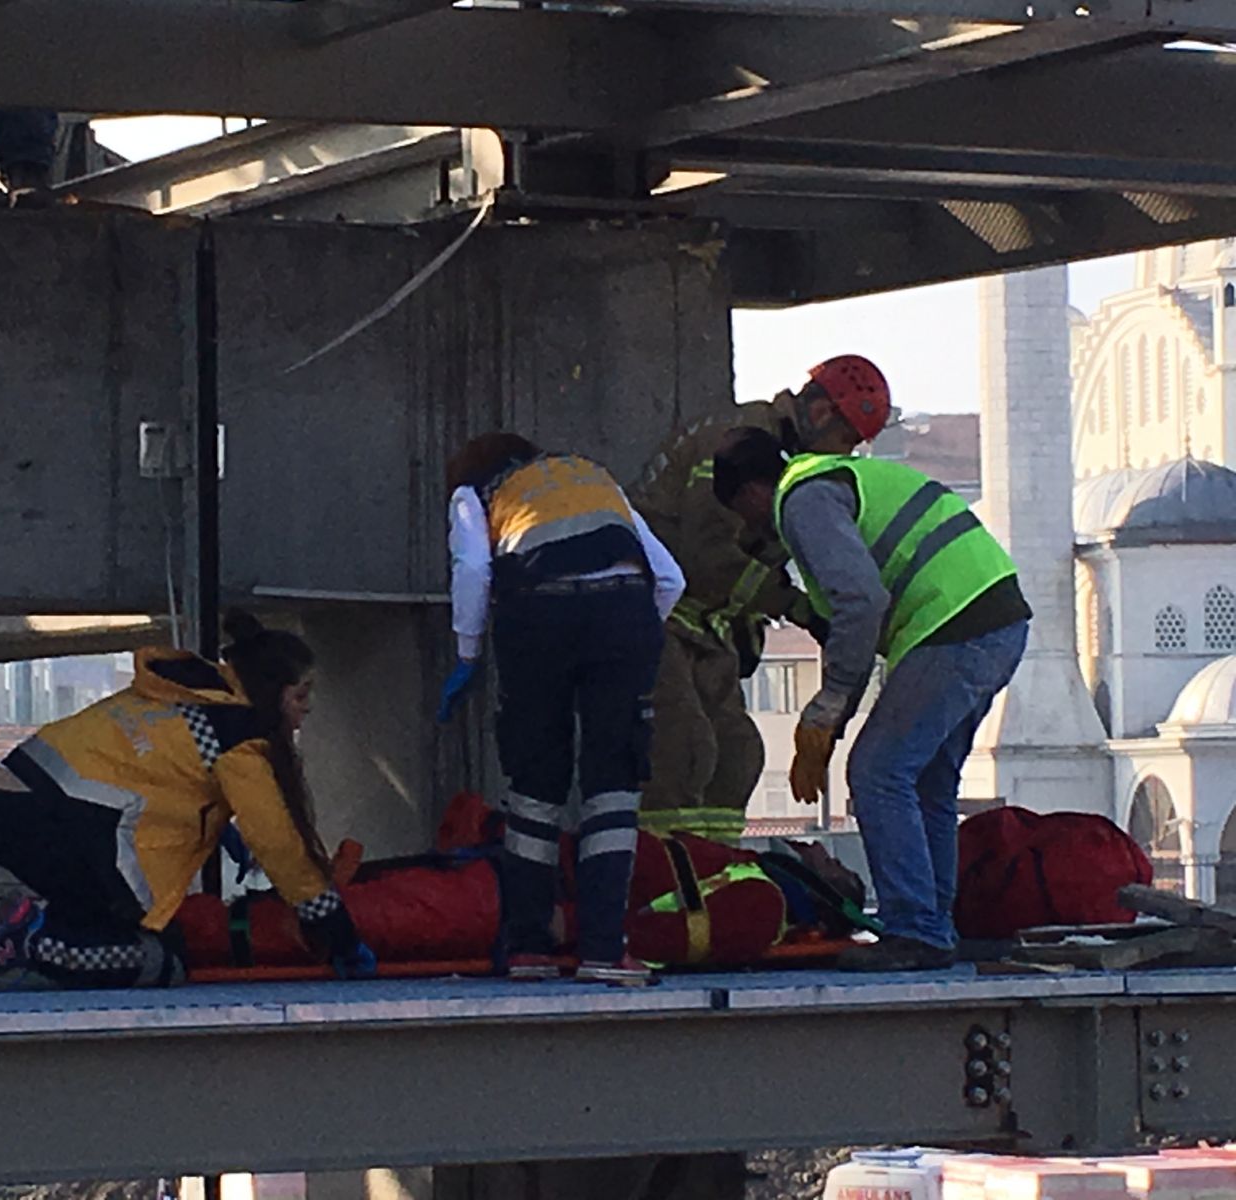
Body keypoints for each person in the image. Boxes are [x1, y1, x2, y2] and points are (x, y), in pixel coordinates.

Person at [713, 426, 1030, 971]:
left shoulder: (802, 500)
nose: (753, 530)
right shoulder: (834, 481)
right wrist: (829, 727)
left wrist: (828, 704)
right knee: (926, 780)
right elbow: (857, 624)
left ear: (749, 494)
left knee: (879, 774)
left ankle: (916, 931)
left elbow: (860, 602)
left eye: (744, 516)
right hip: (994, 621)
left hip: (952, 625)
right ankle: (935, 925)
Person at [0, 610, 375, 990]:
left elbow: (156, 771)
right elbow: (280, 847)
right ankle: (29, 946)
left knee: (110, 922)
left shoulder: (190, 693)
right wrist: (336, 931)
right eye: (301, 697)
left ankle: (40, 932)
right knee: (160, 960)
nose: (307, 710)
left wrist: (218, 829)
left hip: (13, 804)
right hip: (48, 822)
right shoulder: (239, 740)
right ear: (273, 691)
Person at [440, 432, 684, 985]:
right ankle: (603, 950)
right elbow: (670, 579)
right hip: (624, 612)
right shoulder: (594, 480)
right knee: (613, 786)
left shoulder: (475, 494)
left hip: (536, 615)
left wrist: (468, 653)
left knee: (535, 787)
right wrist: (632, 643)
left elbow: (476, 570)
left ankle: (530, 948)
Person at [628, 355, 889, 848]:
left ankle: (715, 876)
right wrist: (796, 608)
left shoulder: (785, 468)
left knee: (738, 753)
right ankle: (664, 882)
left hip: (710, 627)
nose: (846, 457)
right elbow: (707, 557)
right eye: (846, 440)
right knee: (682, 748)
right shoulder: (733, 444)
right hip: (654, 617)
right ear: (819, 416)